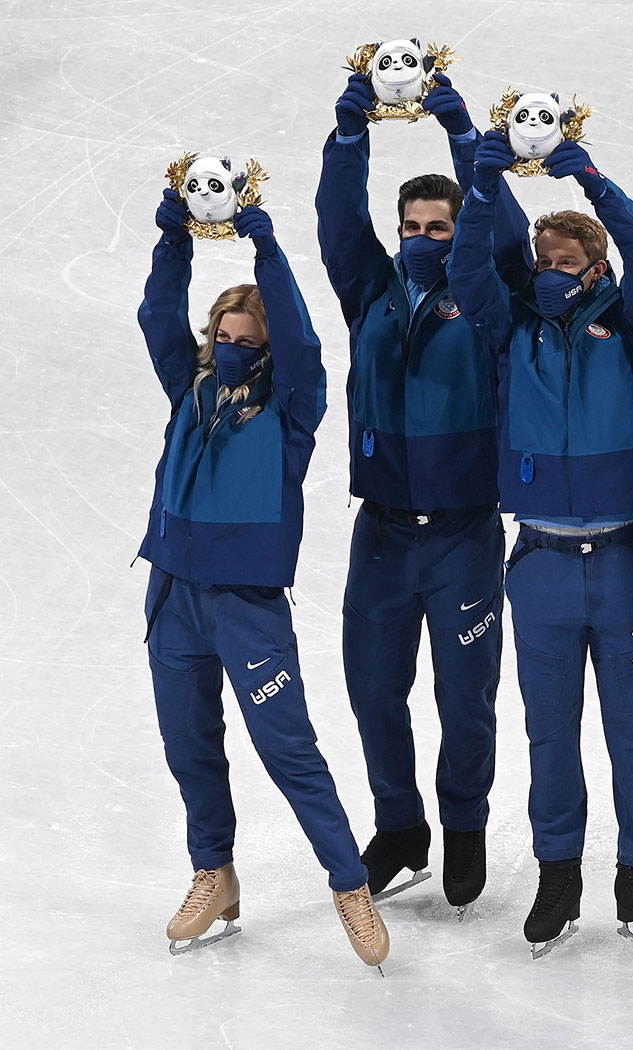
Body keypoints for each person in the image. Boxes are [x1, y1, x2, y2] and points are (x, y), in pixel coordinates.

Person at [138, 190, 387, 968]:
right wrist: (174, 242)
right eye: (223, 335)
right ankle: (214, 873)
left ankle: (350, 884)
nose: (232, 346)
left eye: (248, 338)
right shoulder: (193, 388)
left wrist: (268, 256)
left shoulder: (291, 409)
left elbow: (308, 345)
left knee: (289, 753)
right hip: (174, 598)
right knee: (191, 749)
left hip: (247, 608)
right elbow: (156, 319)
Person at [451, 130, 633, 956]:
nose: (547, 265)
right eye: (540, 254)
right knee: (550, 733)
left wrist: (589, 179)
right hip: (540, 561)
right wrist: (481, 188)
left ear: (595, 267)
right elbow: (472, 268)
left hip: (622, 561)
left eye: (564, 255)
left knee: (632, 734)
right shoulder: (511, 328)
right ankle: (558, 875)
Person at [315, 71, 529, 912]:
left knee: (464, 698)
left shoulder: (485, 295)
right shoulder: (367, 290)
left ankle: (465, 826)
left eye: (438, 226)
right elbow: (339, 224)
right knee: (373, 689)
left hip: (463, 535)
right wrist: (348, 137)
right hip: (383, 532)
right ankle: (401, 827)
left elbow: (507, 236)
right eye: (412, 226)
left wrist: (464, 135)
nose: (423, 236)